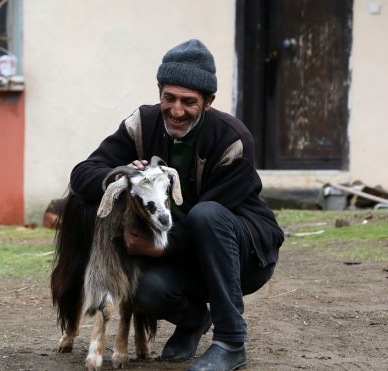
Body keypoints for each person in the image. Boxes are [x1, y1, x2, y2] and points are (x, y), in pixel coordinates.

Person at [69, 39, 284, 371]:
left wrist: (162, 249)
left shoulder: (233, 139)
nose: (176, 110)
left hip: (244, 255)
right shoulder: (141, 124)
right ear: (159, 92)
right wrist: (123, 177)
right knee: (144, 292)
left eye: (189, 101)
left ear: (208, 101)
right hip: (182, 253)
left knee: (206, 215)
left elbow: (209, 221)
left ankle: (230, 341)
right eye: (169, 98)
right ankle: (195, 320)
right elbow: (83, 173)